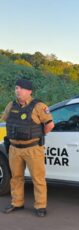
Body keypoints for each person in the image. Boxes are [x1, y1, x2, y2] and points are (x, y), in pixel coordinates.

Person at [1, 79, 54, 217]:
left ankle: (40, 206)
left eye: (20, 88)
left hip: (32, 148)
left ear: (29, 91)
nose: (17, 90)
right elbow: (7, 121)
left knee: (38, 178)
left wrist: (38, 136)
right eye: (16, 88)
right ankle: (17, 202)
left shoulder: (39, 106)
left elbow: (49, 125)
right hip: (14, 149)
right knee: (16, 177)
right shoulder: (10, 105)